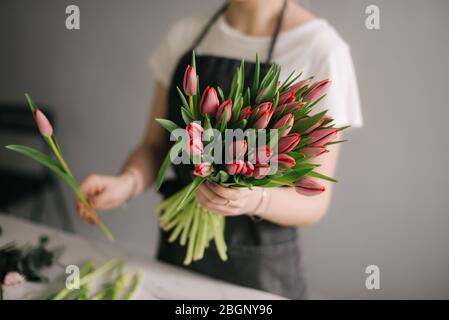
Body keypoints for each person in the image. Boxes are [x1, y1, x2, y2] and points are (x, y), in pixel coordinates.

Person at [76, 0, 363, 299]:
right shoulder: (186, 34)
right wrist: (127, 184)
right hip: (177, 257)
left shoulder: (321, 50)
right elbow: (154, 145)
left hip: (260, 274)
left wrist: (255, 199)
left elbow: (314, 200)